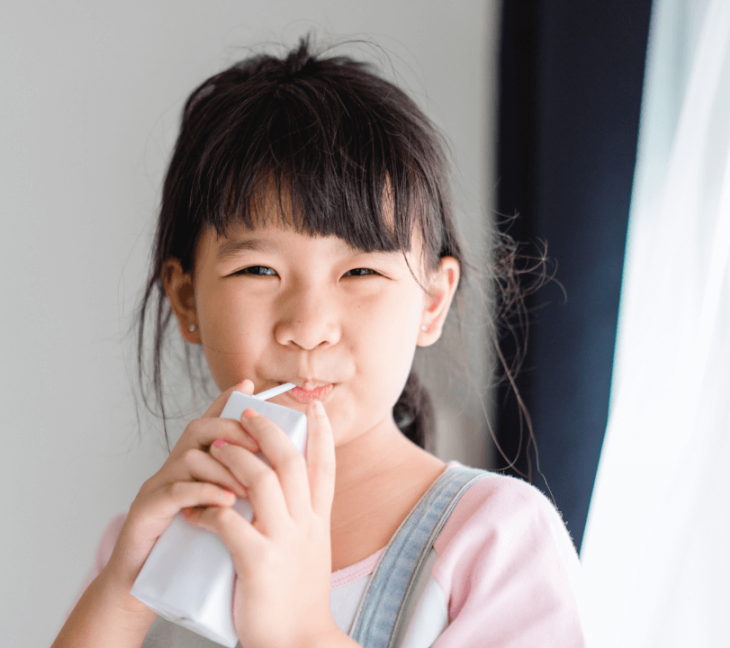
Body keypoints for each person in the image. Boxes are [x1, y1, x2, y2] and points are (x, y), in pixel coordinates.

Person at [51, 38, 585, 648]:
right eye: (258, 271)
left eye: (360, 272)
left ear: (432, 302)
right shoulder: (148, 540)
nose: (307, 325)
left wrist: (301, 629)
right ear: (187, 299)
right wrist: (123, 586)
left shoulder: (494, 541)